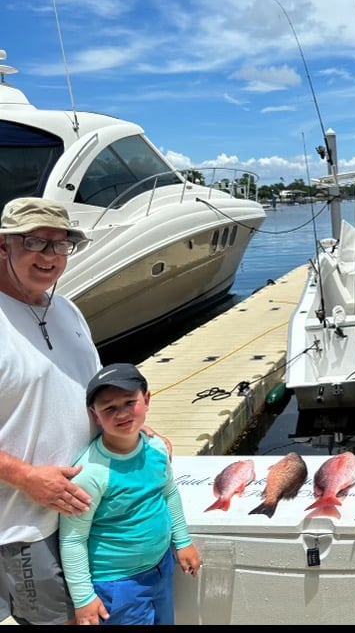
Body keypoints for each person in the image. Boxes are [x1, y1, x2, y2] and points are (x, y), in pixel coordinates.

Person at [0, 197, 170, 626]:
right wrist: (26, 478)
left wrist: (137, 433)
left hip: (92, 511)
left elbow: (96, 394)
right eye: (35, 241)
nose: (49, 255)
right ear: (3, 246)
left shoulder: (67, 309)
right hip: (27, 523)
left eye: (60, 245)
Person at [59, 363, 202, 625]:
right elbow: (73, 539)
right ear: (95, 415)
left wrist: (182, 541)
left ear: (146, 400)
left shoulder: (157, 448)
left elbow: (169, 492)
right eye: (109, 408)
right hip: (118, 585)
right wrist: (83, 598)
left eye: (129, 402)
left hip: (162, 567)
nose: (122, 413)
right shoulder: (91, 473)